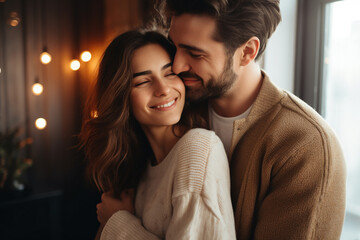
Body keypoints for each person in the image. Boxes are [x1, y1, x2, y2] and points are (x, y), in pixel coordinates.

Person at [154, 0, 347, 239]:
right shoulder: (173, 110)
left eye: (195, 54)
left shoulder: (305, 146)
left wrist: (121, 226)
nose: (176, 65)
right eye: (174, 47)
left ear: (247, 52)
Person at [79, 29, 236, 239]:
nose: (163, 89)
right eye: (143, 81)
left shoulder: (198, 148)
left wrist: (119, 221)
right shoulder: (141, 172)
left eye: (170, 73)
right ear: (121, 98)